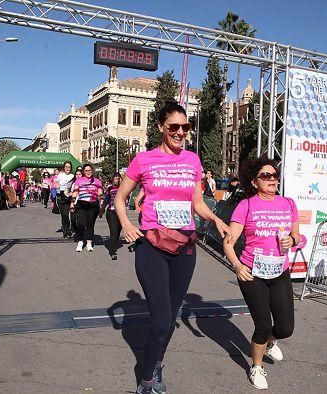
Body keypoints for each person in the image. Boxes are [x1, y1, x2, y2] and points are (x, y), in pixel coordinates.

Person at [114, 101, 231, 394]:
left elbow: (197, 204)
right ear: (161, 128)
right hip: (151, 245)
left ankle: (155, 363)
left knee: (169, 317)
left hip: (185, 247)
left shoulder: (192, 161)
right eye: (174, 127)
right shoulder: (144, 159)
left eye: (185, 127)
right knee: (162, 319)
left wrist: (215, 219)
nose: (180, 132)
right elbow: (119, 198)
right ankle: (146, 380)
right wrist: (127, 225)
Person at [222, 157, 300, 390]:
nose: (272, 179)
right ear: (254, 182)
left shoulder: (288, 203)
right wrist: (237, 265)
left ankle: (268, 343)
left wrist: (292, 240)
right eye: (266, 176)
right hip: (252, 273)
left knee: (285, 328)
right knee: (263, 325)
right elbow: (229, 242)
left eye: (274, 175)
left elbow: (298, 237)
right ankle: (256, 367)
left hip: (279, 271)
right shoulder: (246, 205)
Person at [71, 164, 102, 251]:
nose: (88, 172)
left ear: (92, 171)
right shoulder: (79, 181)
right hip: (81, 204)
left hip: (93, 204)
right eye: (86, 171)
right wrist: (72, 203)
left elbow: (100, 193)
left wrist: (102, 203)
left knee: (90, 224)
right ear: (83, 172)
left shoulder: (97, 181)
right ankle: (80, 242)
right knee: (81, 223)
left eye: (89, 170)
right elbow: (75, 192)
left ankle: (89, 243)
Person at [104, 173, 123, 260]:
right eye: (115, 179)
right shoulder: (110, 188)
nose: (116, 180)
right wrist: (101, 210)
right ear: (112, 180)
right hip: (111, 212)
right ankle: (112, 251)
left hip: (121, 212)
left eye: (118, 178)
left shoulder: (123, 188)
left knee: (118, 230)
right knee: (114, 230)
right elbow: (106, 199)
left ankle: (113, 242)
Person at [56, 161, 75, 238]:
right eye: (66, 166)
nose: (67, 168)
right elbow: (56, 183)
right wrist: (57, 186)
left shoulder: (72, 176)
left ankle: (68, 231)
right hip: (60, 196)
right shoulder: (60, 175)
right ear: (64, 167)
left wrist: (71, 192)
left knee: (66, 214)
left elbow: (74, 186)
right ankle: (65, 230)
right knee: (63, 215)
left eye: (69, 167)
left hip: (68, 197)